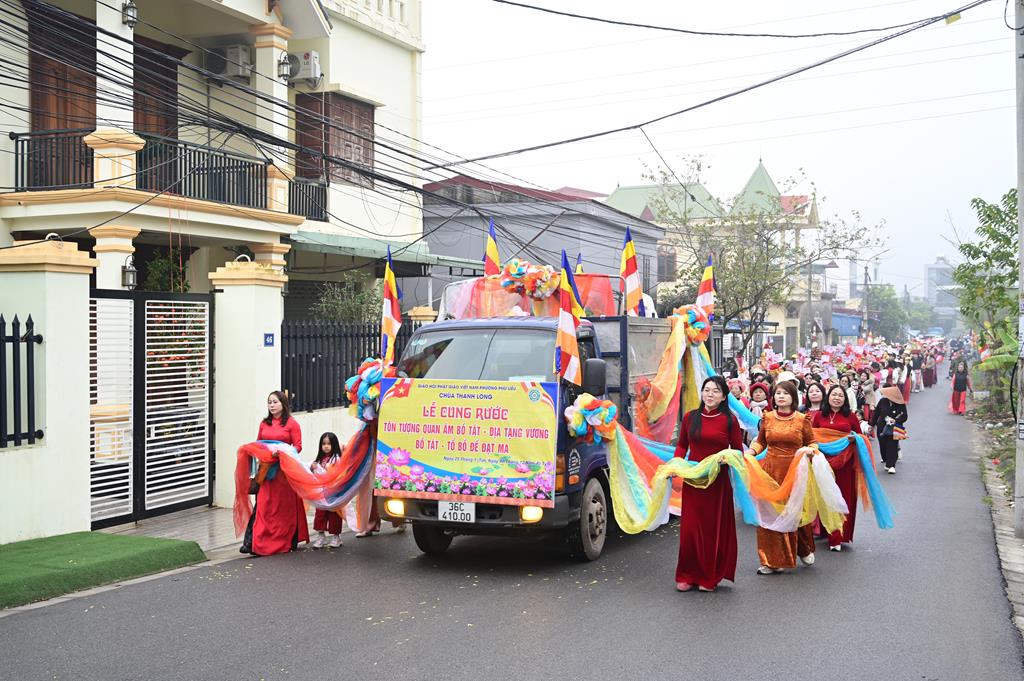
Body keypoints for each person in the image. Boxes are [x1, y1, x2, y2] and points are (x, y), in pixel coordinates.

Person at [673, 376, 745, 592]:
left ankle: (708, 577)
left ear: (723, 396)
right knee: (690, 529)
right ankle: (687, 575)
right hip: (694, 480)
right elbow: (682, 446)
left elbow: (738, 451)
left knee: (712, 530)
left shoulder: (730, 420)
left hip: (718, 483)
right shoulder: (690, 417)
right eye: (707, 390)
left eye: (715, 391)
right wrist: (675, 466)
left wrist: (727, 458)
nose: (710, 394)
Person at [745, 381, 818, 574]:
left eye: (785, 393)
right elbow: (760, 442)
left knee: (794, 513)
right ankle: (771, 560)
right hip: (770, 472)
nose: (781, 396)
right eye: (777, 393)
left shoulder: (802, 419)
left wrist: (811, 451)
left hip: (795, 471)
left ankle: (803, 548)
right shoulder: (767, 418)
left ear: (793, 397)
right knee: (769, 514)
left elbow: (812, 442)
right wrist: (751, 452)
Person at [241, 391, 310, 556]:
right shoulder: (264, 424)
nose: (271, 405)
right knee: (263, 505)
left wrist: (282, 452)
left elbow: (298, 446)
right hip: (266, 471)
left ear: (283, 404)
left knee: (284, 507)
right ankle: (253, 543)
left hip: (284, 473)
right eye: (269, 402)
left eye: (275, 402)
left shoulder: (292, 424)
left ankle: (286, 540)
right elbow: (258, 443)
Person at [812, 386, 869, 552]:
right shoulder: (819, 417)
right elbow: (811, 436)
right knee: (824, 496)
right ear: (828, 397)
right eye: (834, 394)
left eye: (840, 395)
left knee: (842, 498)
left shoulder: (850, 416)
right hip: (823, 463)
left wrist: (853, 439)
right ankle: (825, 531)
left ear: (845, 399)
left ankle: (838, 535)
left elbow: (862, 438)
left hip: (845, 465)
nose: (836, 398)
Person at [309, 432, 345, 549]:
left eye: (329, 443)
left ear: (334, 445)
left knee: (334, 514)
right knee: (320, 514)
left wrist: (317, 468)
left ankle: (336, 536)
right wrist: (313, 468)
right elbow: (316, 475)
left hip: (333, 492)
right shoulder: (319, 460)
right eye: (323, 444)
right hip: (321, 493)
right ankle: (321, 536)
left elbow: (331, 475)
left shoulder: (336, 459)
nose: (326, 446)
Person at [870, 386, 908, 474]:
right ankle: (886, 460)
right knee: (883, 445)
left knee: (892, 446)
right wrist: (871, 425)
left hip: (895, 428)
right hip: (882, 427)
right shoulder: (883, 401)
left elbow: (905, 416)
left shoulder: (901, 404)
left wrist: (896, 420)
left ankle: (891, 465)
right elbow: (876, 413)